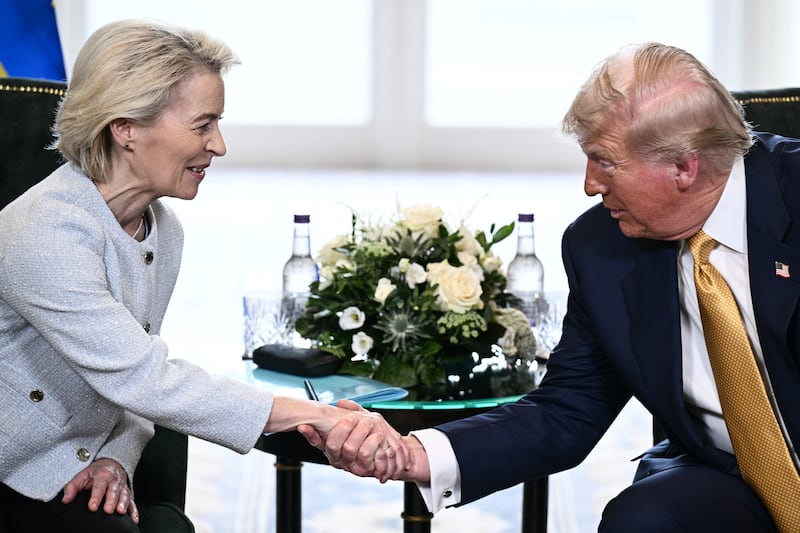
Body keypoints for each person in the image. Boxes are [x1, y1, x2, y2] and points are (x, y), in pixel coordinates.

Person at [302, 42, 800, 532]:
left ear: (684, 166)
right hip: (729, 476)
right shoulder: (601, 245)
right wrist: (411, 452)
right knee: (644, 519)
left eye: (605, 161)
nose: (589, 184)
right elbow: (570, 408)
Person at [0, 19, 407, 533]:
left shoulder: (161, 228)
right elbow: (142, 378)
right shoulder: (47, 234)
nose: (219, 145)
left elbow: (133, 363)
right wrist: (319, 416)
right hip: (12, 467)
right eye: (202, 125)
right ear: (125, 127)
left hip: (85, 449)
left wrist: (118, 460)